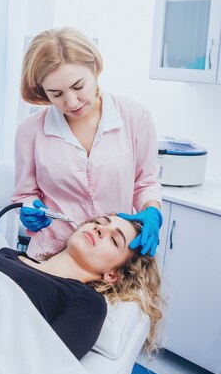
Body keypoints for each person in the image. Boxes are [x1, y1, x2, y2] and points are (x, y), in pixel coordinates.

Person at [13, 27, 163, 259]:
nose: (71, 102)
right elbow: (25, 193)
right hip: (53, 253)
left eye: (78, 86)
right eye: (56, 93)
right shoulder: (29, 130)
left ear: (95, 68)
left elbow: (145, 182)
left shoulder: (135, 116)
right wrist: (30, 208)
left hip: (112, 259)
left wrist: (152, 210)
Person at [0, 214, 162, 360]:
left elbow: (37, 367)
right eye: (99, 221)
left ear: (113, 275)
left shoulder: (86, 302)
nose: (99, 228)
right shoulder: (9, 253)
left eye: (114, 240)